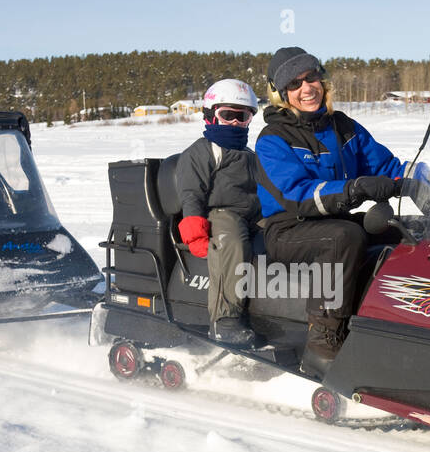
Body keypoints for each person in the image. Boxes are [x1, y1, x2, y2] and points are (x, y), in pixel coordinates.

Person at [255, 47, 413, 376]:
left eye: (311, 77)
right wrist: (353, 188)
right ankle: (322, 342)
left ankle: (403, 325)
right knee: (345, 236)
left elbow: (386, 165)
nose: (306, 88)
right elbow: (297, 194)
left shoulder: (343, 127)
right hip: (287, 230)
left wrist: (426, 178)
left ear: (322, 81)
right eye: (295, 84)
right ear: (282, 94)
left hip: (333, 221)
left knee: (402, 229)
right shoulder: (273, 139)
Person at [176, 78, 263, 347]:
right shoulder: (202, 152)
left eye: (242, 116)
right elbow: (191, 193)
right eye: (228, 115)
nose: (236, 123)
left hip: (254, 215)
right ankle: (225, 319)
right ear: (211, 116)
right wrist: (195, 234)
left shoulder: (250, 154)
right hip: (220, 214)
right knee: (232, 241)